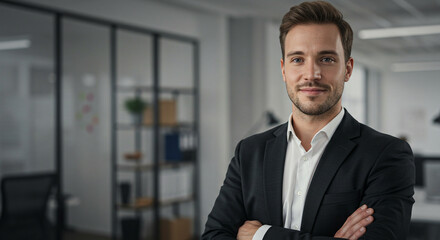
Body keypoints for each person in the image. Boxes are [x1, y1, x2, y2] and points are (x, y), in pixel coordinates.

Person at [202, 1, 415, 240]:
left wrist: (261, 235)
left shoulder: (386, 155)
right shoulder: (250, 152)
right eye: (297, 59)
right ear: (284, 70)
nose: (311, 74)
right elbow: (214, 236)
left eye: (326, 59)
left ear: (347, 69)